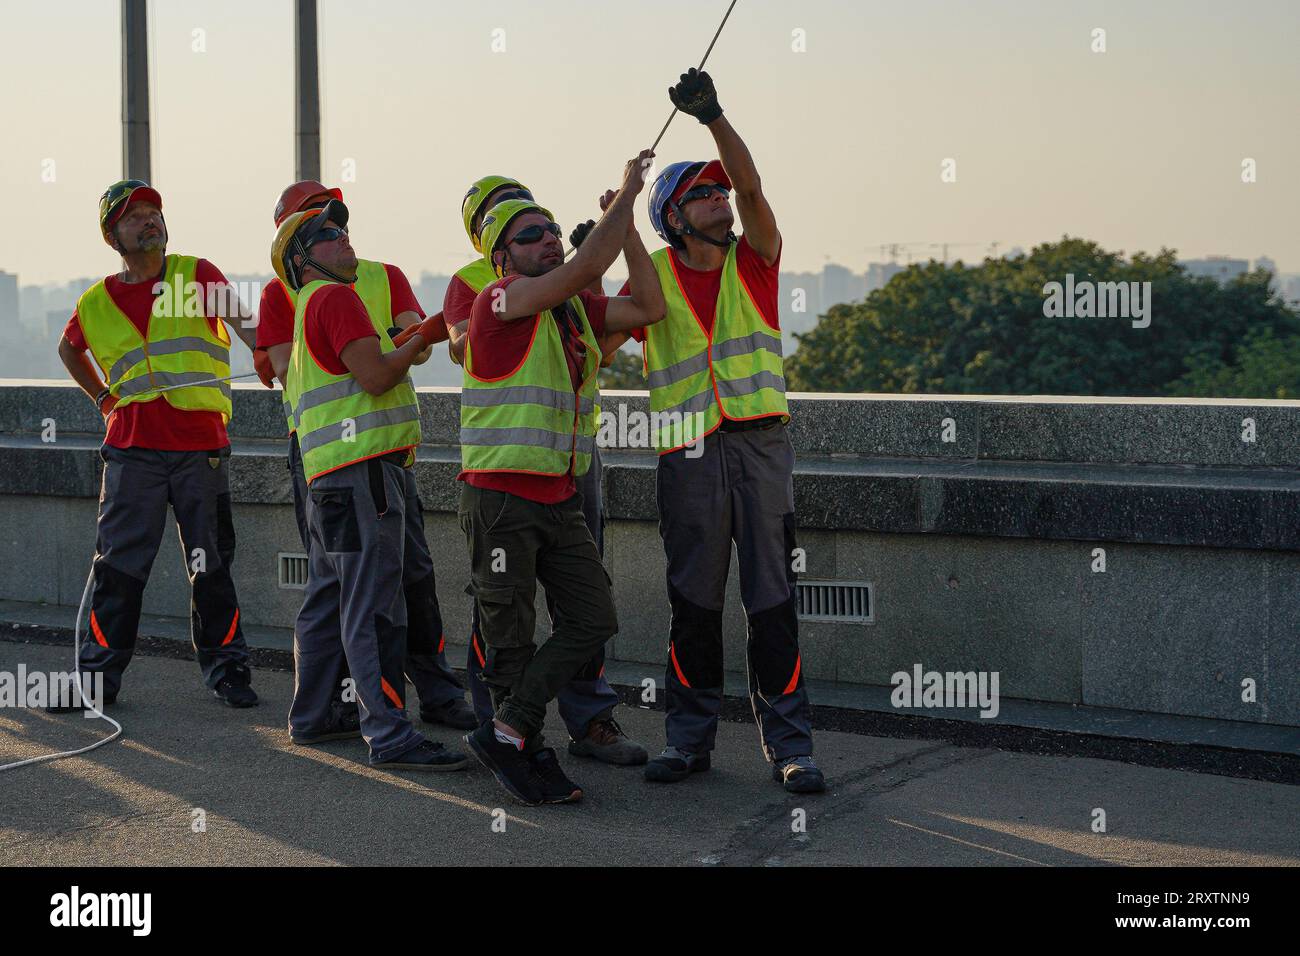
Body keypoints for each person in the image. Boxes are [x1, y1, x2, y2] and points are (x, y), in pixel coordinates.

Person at [631, 69, 825, 793]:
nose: (720, 199)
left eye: (718, 190)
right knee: (695, 604)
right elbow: (597, 313)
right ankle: (689, 741)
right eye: (702, 194)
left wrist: (713, 118)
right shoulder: (649, 272)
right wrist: (605, 236)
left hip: (759, 446)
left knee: (772, 600)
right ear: (675, 220)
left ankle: (792, 746)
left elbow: (754, 189)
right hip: (687, 457)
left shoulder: (757, 260)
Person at [458, 150, 664, 805]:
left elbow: (650, 305)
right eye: (530, 235)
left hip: (557, 495)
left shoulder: (570, 311)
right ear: (502, 259)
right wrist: (629, 193)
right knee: (509, 636)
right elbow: (584, 266)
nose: (548, 239)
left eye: (550, 230)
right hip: (499, 497)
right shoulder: (500, 301)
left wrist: (627, 229)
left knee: (593, 617)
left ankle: (509, 729)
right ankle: (528, 751)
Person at [258, 181, 476, 739]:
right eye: (328, 233)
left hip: (333, 468)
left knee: (338, 592)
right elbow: (377, 376)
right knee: (374, 605)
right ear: (301, 258)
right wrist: (405, 342)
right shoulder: (334, 297)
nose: (344, 237)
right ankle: (388, 731)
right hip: (363, 471)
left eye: (343, 226)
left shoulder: (317, 298)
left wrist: (402, 342)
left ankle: (312, 717)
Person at [51, 180, 258, 710]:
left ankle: (229, 673)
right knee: (118, 567)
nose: (149, 221)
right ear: (111, 235)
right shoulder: (96, 301)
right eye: (134, 216)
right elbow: (69, 349)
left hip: (199, 448)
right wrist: (102, 398)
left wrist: (284, 360)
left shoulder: (196, 274)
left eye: (153, 213)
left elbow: (253, 332)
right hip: (131, 451)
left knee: (209, 564)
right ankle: (96, 681)